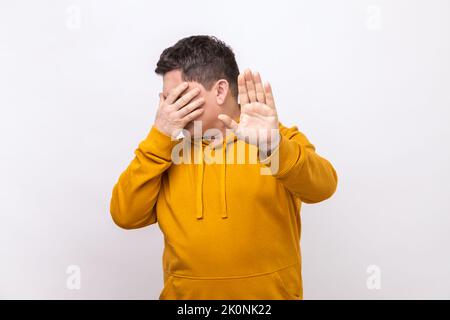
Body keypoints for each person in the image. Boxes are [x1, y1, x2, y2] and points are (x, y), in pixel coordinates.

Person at [109, 35, 338, 300]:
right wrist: (159, 136)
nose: (167, 110)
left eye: (178, 98)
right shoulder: (162, 153)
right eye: (165, 99)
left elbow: (323, 188)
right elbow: (125, 215)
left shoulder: (274, 139)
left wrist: (273, 147)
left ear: (219, 91)